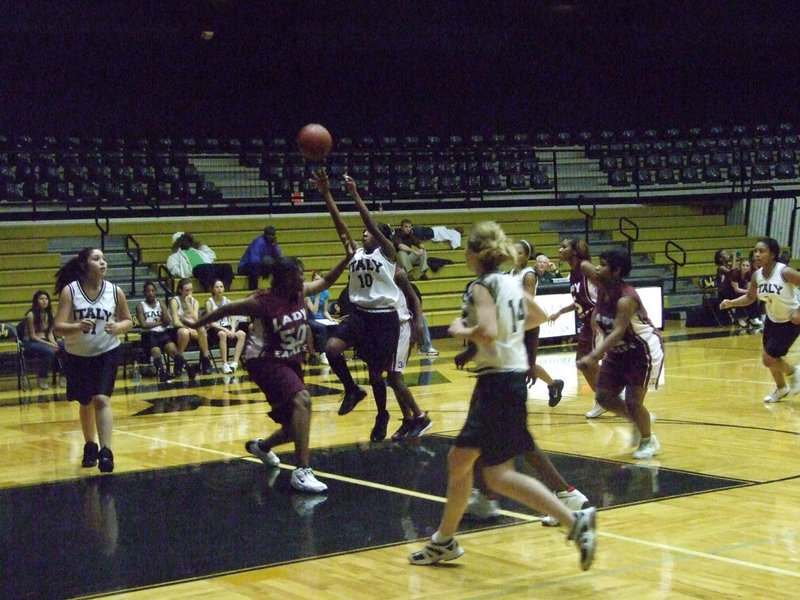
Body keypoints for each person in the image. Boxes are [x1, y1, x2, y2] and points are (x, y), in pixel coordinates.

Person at [408, 221, 596, 570]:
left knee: (481, 469)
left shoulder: (480, 286)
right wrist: (497, 337)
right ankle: (444, 541)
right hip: (508, 381)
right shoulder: (511, 282)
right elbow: (537, 315)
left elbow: (490, 332)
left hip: (495, 386)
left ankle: (573, 518)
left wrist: (460, 329)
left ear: (473, 255)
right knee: (480, 469)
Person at [184, 249, 353, 493]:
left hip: (290, 359)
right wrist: (197, 324)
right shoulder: (262, 302)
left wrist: (346, 259)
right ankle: (302, 471)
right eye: (299, 275)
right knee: (303, 401)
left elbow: (326, 281)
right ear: (285, 278)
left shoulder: (299, 292)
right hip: (264, 361)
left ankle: (262, 447)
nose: (303, 279)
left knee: (295, 427)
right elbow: (227, 310)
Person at [312, 169, 402, 442]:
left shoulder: (388, 253)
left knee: (377, 375)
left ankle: (382, 414)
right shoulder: (355, 253)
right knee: (331, 348)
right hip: (360, 315)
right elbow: (339, 224)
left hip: (384, 319)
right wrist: (327, 193)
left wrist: (354, 194)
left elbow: (370, 223)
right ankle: (351, 390)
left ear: (380, 236)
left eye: (368, 232)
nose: (364, 234)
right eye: (362, 233)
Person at [576, 250, 664, 459]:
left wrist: (594, 355)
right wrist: (586, 262)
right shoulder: (601, 285)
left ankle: (648, 440)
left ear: (616, 271)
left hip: (642, 350)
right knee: (604, 397)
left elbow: (618, 331)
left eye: (604, 264)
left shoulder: (626, 298)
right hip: (618, 351)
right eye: (599, 263)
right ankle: (639, 419)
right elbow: (584, 266)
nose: (598, 268)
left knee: (634, 402)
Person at [53, 248, 133, 473]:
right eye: (96, 259)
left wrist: (118, 326)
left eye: (104, 259)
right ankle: (90, 444)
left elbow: (128, 320)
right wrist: (77, 326)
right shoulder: (71, 291)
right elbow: (58, 326)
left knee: (101, 399)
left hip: (107, 351)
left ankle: (106, 451)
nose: (103, 263)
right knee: (85, 401)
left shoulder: (115, 291)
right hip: (77, 354)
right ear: (84, 265)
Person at [720, 237, 800, 403]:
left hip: (790, 321)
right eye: (755, 251)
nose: (756, 254)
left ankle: (794, 373)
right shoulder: (757, 276)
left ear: (772, 254)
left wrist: (798, 312)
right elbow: (750, 297)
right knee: (771, 358)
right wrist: (731, 303)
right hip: (772, 320)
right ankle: (781, 388)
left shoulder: (784, 272)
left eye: (761, 251)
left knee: (768, 359)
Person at [548, 237, 605, 418]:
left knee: (588, 361)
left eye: (563, 247)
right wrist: (561, 311)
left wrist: (596, 315)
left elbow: (605, 289)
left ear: (574, 250)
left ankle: (605, 398)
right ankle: (605, 396)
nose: (559, 250)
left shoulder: (585, 266)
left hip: (599, 321)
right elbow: (580, 301)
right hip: (588, 322)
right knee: (584, 361)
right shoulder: (573, 273)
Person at [510, 239, 564, 406]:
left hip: (528, 324)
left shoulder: (529, 274)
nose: (515, 255)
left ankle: (554, 385)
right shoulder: (512, 272)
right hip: (515, 323)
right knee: (516, 362)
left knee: (527, 364)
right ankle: (554, 384)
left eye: (519, 252)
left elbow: (528, 302)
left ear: (527, 256)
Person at [387, 266, 434, 441]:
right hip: (388, 329)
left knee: (394, 377)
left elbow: (415, 298)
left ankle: (420, 417)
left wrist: (419, 324)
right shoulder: (377, 272)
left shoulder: (398, 273)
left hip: (403, 327)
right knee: (392, 378)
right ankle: (408, 419)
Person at [135, 280, 178, 382]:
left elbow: (167, 321)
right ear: (144, 293)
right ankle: (162, 372)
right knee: (156, 351)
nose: (150, 293)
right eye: (148, 291)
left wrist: (163, 306)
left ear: (156, 292)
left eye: (152, 291)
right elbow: (144, 324)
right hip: (149, 334)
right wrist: (160, 323)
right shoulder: (140, 305)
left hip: (162, 333)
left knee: (172, 349)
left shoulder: (160, 303)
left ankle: (187, 367)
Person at [22, 290, 65, 389]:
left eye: (46, 299)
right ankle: (43, 378)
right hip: (31, 342)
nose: (44, 301)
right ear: (36, 301)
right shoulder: (30, 315)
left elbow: (50, 333)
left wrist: (54, 343)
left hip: (44, 340)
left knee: (65, 346)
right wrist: (49, 344)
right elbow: (33, 336)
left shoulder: (49, 313)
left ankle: (63, 376)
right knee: (48, 351)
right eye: (41, 299)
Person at [168, 278, 211, 376]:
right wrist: (189, 328)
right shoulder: (174, 301)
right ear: (180, 290)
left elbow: (196, 320)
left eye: (191, 290)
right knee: (184, 332)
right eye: (187, 290)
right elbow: (175, 322)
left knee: (202, 329)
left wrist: (188, 303)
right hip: (176, 330)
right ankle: (179, 361)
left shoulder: (194, 302)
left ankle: (205, 360)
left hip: (192, 328)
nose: (189, 292)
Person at [166, 232, 234, 292]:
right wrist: (187, 274)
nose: (186, 241)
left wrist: (198, 245)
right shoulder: (174, 256)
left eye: (187, 239)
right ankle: (210, 289)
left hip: (208, 268)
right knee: (203, 267)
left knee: (226, 266)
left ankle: (225, 289)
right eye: (183, 240)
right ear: (178, 243)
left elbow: (212, 255)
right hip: (195, 271)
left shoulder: (198, 251)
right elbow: (174, 269)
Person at [206, 279, 247, 374]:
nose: (219, 289)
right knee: (222, 334)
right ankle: (224, 363)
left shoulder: (228, 301)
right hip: (215, 329)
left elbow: (233, 319)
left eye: (221, 287)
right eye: (217, 287)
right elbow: (211, 322)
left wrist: (232, 329)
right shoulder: (209, 302)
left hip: (228, 327)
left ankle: (235, 362)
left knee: (242, 334)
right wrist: (225, 329)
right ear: (212, 289)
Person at [238, 225, 282, 290]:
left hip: (262, 265)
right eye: (269, 235)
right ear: (265, 235)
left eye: (273, 235)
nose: (271, 237)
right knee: (255, 267)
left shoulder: (273, 243)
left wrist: (274, 246)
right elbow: (254, 260)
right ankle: (253, 290)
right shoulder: (258, 242)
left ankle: (277, 289)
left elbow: (278, 257)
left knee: (280, 267)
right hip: (246, 266)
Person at [304, 271, 333, 365]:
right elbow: (314, 311)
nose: (317, 283)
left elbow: (325, 311)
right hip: (311, 318)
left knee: (335, 325)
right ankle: (323, 354)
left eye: (319, 280)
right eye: (315, 280)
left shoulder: (325, 292)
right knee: (321, 328)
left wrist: (331, 319)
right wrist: (317, 297)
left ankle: (334, 353)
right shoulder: (308, 294)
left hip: (321, 318)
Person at [730, 257, 763, 327]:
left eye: (747, 266)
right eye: (743, 265)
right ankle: (740, 318)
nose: (745, 267)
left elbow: (749, 288)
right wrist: (749, 292)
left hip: (740, 291)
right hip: (728, 292)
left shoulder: (749, 274)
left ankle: (753, 317)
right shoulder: (735, 273)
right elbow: (736, 289)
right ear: (740, 266)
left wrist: (751, 292)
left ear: (750, 267)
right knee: (740, 296)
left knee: (752, 295)